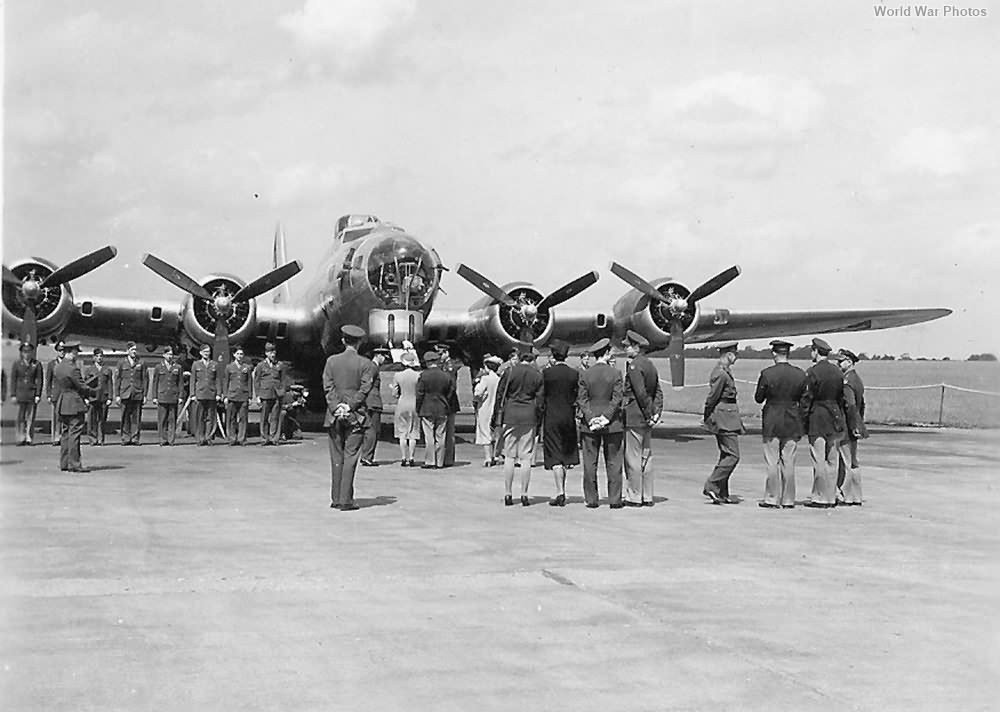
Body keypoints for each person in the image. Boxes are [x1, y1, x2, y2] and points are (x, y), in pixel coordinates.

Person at [323, 325, 376, 511]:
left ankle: (336, 498)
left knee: (336, 457)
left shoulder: (331, 362)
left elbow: (328, 387)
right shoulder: (367, 364)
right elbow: (364, 389)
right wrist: (350, 406)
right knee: (350, 457)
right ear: (360, 342)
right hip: (356, 416)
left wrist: (336, 407)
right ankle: (346, 500)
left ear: (343, 340)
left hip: (334, 416)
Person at [753, 340, 808, 509]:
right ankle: (788, 499)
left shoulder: (767, 373)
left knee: (772, 462)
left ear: (774, 353)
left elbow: (759, 398)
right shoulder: (800, 374)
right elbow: (803, 398)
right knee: (789, 461)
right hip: (792, 419)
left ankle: (771, 498)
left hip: (772, 420)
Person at [577, 338, 625, 509]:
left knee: (590, 463)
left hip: (589, 425)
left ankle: (591, 499)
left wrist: (591, 418)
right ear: (606, 353)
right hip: (612, 424)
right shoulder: (616, 373)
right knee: (614, 462)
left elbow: (582, 400)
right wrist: (606, 417)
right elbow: (617, 398)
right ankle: (615, 499)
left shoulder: (585, 374)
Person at [493, 347, 545, 506]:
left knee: (509, 456)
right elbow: (540, 401)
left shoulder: (509, 372)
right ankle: (524, 493)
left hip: (511, 415)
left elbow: (500, 394)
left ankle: (508, 493)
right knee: (526, 457)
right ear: (532, 360)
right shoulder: (537, 375)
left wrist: (496, 417)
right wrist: (539, 419)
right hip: (528, 415)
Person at [801, 337, 848, 509]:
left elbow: (807, 398)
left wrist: (803, 420)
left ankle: (819, 497)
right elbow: (842, 398)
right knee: (832, 460)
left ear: (815, 351)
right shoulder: (837, 372)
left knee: (818, 459)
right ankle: (830, 497)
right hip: (834, 417)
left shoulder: (813, 372)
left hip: (818, 418)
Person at [621, 330, 664, 507]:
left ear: (636, 347)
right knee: (647, 457)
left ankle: (634, 496)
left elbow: (640, 393)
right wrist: (656, 414)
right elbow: (658, 392)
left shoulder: (634, 366)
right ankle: (647, 496)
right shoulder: (650, 365)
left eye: (628, 346)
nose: (625, 349)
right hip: (647, 417)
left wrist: (647, 414)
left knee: (633, 458)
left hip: (635, 416)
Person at [702, 341, 744, 504]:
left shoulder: (725, 371)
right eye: (735, 354)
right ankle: (712, 484)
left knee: (726, 454)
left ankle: (722, 492)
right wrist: (707, 416)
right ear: (729, 355)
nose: (736, 357)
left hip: (728, 416)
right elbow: (712, 397)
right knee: (733, 456)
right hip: (724, 417)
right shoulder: (720, 373)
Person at [541, 340, 580, 506]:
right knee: (565, 455)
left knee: (555, 457)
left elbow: (542, 396)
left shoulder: (546, 374)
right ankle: (562, 488)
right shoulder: (574, 374)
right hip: (568, 416)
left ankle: (560, 491)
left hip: (551, 416)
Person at [52, 342, 95, 472]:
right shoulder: (73, 368)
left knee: (65, 433)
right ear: (72, 351)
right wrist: (93, 391)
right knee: (75, 433)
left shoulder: (58, 367)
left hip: (63, 401)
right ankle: (75, 464)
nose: (77, 354)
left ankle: (64, 463)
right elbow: (81, 386)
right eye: (76, 351)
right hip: (74, 403)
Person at [837, 348, 868, 506]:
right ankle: (856, 495)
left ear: (849, 362)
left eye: (841, 361)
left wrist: (851, 425)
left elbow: (850, 405)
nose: (838, 363)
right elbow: (862, 405)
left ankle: (848, 495)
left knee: (847, 461)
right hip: (855, 423)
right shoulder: (857, 379)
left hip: (847, 426)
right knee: (853, 461)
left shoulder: (847, 381)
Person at [416, 350, 455, 469]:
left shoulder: (423, 375)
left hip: (427, 408)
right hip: (442, 408)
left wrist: (418, 408)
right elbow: (451, 391)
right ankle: (440, 461)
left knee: (429, 437)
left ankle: (430, 460)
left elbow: (419, 393)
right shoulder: (446, 375)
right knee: (441, 436)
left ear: (427, 362)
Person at [360, 347, 390, 466]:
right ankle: (367, 457)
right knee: (373, 430)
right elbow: (368, 383)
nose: (384, 360)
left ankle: (366, 456)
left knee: (371, 430)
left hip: (371, 401)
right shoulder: (372, 367)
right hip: (372, 402)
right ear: (378, 355)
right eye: (383, 357)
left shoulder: (372, 366)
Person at [391, 351, 421, 466]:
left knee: (402, 432)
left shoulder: (398, 375)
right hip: (414, 403)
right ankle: (412, 457)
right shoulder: (418, 376)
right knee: (413, 432)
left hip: (402, 402)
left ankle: (403, 457)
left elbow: (395, 393)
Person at [10, 342, 43, 445]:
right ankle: (20, 437)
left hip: (31, 393)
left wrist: (38, 394)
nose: (26, 354)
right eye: (24, 352)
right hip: (20, 393)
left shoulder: (36, 364)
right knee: (20, 417)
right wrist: (13, 394)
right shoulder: (17, 364)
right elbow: (13, 380)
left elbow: (39, 380)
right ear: (21, 353)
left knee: (30, 416)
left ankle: (29, 437)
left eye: (28, 352)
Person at [253, 342, 285, 446]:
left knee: (275, 417)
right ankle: (264, 438)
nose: (273, 355)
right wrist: (257, 395)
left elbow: (283, 379)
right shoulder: (260, 366)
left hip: (277, 393)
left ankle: (274, 438)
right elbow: (257, 381)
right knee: (264, 417)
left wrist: (282, 391)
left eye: (274, 352)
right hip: (265, 394)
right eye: (271, 353)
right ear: (266, 353)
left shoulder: (280, 365)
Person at [151, 346, 184, 446]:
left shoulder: (178, 367)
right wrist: (154, 397)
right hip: (162, 396)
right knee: (162, 420)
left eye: (171, 354)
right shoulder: (158, 367)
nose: (170, 356)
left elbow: (180, 383)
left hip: (173, 396)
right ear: (163, 355)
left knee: (172, 419)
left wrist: (180, 396)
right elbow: (155, 382)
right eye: (168, 354)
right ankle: (162, 439)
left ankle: (171, 439)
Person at [473, 356, 502, 467]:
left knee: (485, 432)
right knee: (496, 433)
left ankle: (488, 458)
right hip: (496, 408)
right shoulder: (499, 379)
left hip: (485, 407)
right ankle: (495, 455)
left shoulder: (485, 379)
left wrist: (477, 385)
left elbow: (478, 393)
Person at [116, 341, 146, 446]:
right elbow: (118, 379)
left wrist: (145, 394)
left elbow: (145, 379)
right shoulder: (121, 363)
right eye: (132, 349)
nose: (134, 352)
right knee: (125, 417)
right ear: (127, 351)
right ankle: (125, 437)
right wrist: (117, 395)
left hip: (137, 393)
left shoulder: (141, 362)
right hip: (125, 392)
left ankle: (135, 438)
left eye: (135, 350)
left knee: (136, 417)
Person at [83, 348, 114, 445]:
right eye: (97, 356)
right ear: (93, 357)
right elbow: (86, 385)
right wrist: (86, 397)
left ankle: (101, 438)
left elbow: (110, 384)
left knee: (102, 419)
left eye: (101, 356)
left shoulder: (107, 370)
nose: (99, 358)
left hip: (103, 397)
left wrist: (110, 397)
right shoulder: (89, 370)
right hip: (92, 397)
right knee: (91, 419)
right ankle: (92, 439)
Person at [191, 343, 220, 446]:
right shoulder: (196, 364)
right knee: (200, 417)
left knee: (210, 418)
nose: (207, 354)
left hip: (211, 393)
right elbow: (193, 380)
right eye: (205, 352)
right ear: (200, 353)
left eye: (208, 352)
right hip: (200, 393)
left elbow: (217, 380)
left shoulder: (214, 364)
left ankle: (208, 437)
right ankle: (200, 438)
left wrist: (218, 393)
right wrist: (192, 394)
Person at [439, 344, 462, 467]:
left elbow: (451, 385)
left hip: (449, 402)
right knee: (442, 432)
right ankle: (442, 458)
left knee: (449, 432)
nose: (440, 356)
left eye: (441, 353)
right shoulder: (442, 365)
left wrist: (445, 398)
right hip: (443, 401)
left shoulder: (450, 366)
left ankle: (448, 459)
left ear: (446, 353)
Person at [224, 346, 252, 446]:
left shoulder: (247, 368)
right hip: (232, 395)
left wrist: (250, 395)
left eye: (241, 354)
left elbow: (249, 382)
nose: (240, 356)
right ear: (234, 355)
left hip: (243, 395)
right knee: (231, 418)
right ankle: (232, 438)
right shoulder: (229, 367)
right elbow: (226, 382)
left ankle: (241, 438)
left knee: (243, 418)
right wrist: (225, 396)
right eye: (238, 354)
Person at [45, 340, 65, 446]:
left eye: (64, 350)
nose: (62, 352)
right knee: (55, 416)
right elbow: (48, 380)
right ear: (57, 351)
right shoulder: (51, 364)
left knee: (65, 416)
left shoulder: (69, 362)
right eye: (60, 350)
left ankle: (63, 436)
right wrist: (48, 394)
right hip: (56, 393)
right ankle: (55, 437)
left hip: (66, 393)